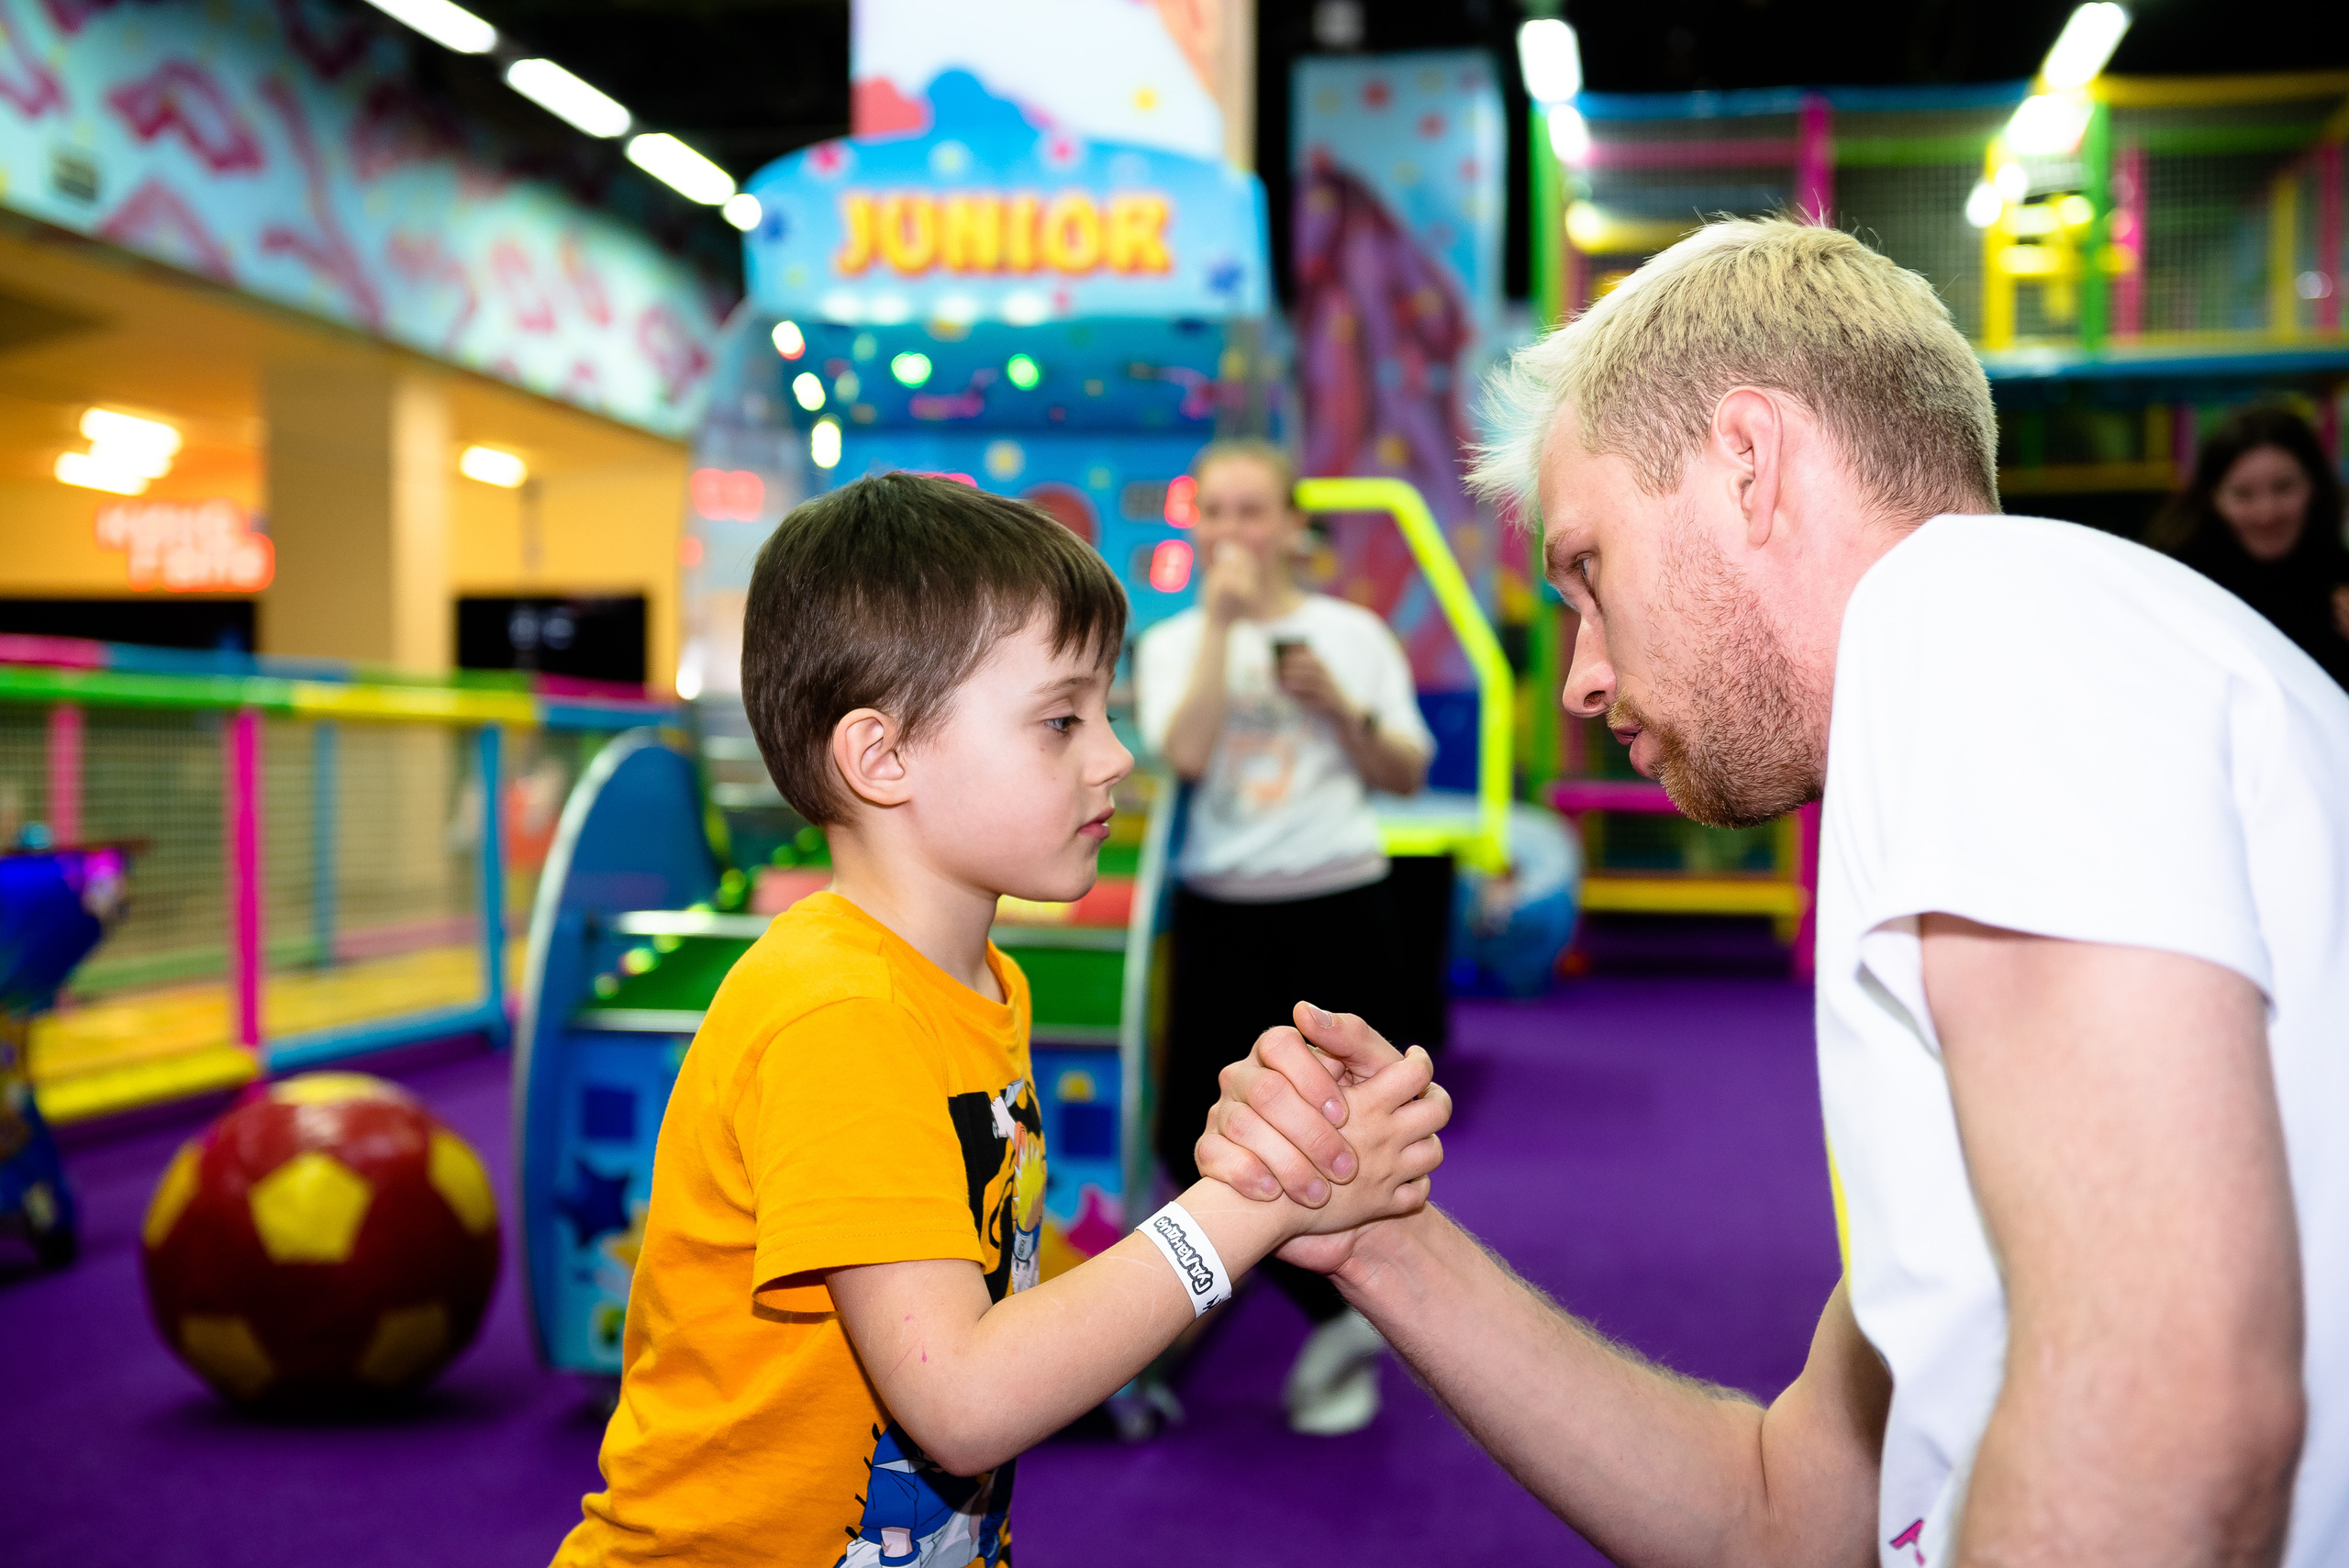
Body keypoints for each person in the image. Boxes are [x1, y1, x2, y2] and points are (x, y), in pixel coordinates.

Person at [1198, 217, 2349, 1568]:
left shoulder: (1967, 622)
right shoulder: (2001, 668)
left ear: (1746, 462)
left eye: (1588, 570)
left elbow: (2171, 1412)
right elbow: (1784, 1515)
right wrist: (1382, 1246)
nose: (1580, 675)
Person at [550, 473, 1450, 1568]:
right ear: (880, 757)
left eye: (1106, 710)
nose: (1115, 754)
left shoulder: (975, 981)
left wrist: (1273, 1163)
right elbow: (964, 1396)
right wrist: (1244, 1208)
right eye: (1062, 718)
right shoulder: (838, 1012)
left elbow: (994, 1289)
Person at [1133, 438, 1436, 1435]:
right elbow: (1178, 753)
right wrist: (1220, 629)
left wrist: (1340, 714)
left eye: (1250, 510)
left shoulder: (1349, 633)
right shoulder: (1175, 641)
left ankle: (1352, 1317)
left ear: (1292, 527)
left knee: (1350, 1138)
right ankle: (1335, 1315)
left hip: (1338, 904)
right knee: (1194, 1134)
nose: (1229, 531)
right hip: (1222, 907)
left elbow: (1403, 770)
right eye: (1212, 510)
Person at [2152, 404, 2349, 687]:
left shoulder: (2341, 583)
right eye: (2243, 495)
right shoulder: (2180, 587)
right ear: (2212, 498)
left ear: (2314, 486)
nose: (2266, 514)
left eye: (2283, 488)